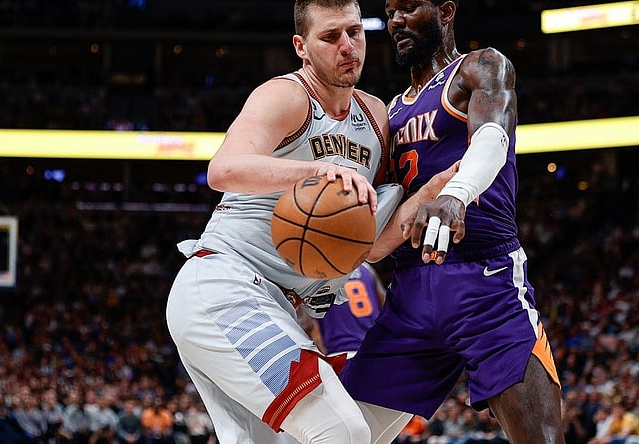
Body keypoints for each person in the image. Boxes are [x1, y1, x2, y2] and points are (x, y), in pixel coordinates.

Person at [165, 0, 456, 442]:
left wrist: (429, 194)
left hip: (282, 306)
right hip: (227, 286)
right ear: (301, 46)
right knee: (341, 430)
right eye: (330, 36)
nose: (347, 46)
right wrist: (315, 171)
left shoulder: (375, 118)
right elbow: (223, 170)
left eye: (354, 33)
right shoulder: (286, 96)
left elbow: (367, 246)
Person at [340, 1, 566, 443]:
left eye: (409, 7)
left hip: (485, 282)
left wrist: (455, 193)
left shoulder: (480, 67)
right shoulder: (387, 114)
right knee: (337, 433)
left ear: (445, 10)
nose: (397, 20)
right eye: (390, 11)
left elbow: (492, 137)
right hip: (409, 293)